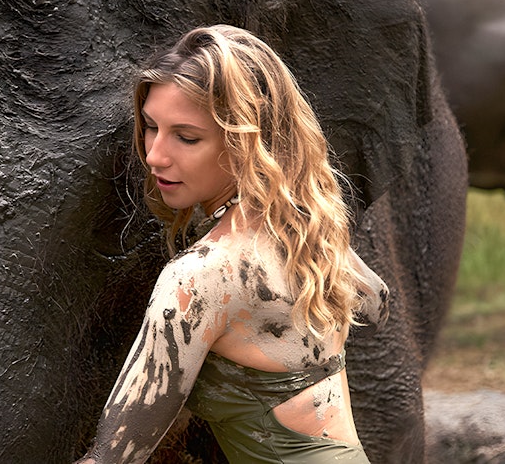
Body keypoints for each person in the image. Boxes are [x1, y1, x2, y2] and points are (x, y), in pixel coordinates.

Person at [75, 25, 389, 463]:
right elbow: (375, 302)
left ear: (246, 141)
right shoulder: (305, 230)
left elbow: (114, 457)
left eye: (187, 137)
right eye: (150, 127)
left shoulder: (200, 278)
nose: (154, 155)